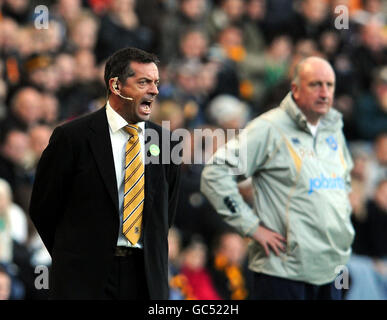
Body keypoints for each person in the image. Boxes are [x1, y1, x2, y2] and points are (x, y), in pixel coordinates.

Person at [29, 47, 181, 300]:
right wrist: (74, 255)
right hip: (84, 278)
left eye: (156, 82)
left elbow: (166, 213)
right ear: (116, 86)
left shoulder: (167, 143)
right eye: (143, 82)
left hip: (145, 277)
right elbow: (43, 207)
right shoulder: (72, 137)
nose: (154, 90)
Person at [201, 56, 354, 300]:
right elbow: (215, 173)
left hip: (329, 267)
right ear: (295, 89)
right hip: (284, 272)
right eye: (315, 84)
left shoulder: (333, 128)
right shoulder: (269, 128)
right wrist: (251, 226)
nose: (325, 92)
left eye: (330, 85)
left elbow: (343, 183)